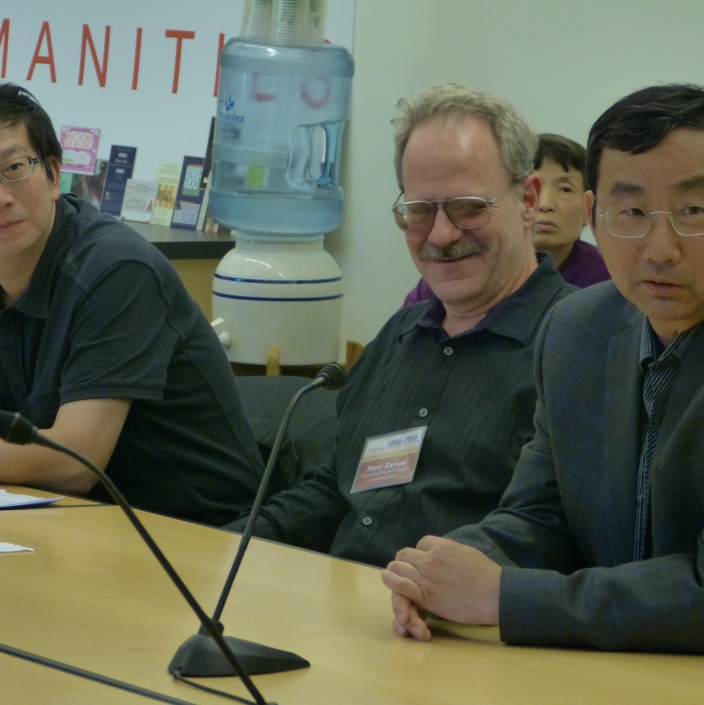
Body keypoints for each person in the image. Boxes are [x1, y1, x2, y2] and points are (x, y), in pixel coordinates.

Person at [382, 84, 704, 683]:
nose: (660, 249)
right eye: (629, 213)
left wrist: (499, 596)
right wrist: (445, 572)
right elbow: (539, 515)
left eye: (693, 211)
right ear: (592, 214)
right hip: (617, 662)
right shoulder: (576, 328)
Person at [224, 84, 575, 568]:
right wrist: (224, 545)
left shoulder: (577, 345)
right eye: (419, 211)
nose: (442, 234)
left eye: (469, 206)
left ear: (529, 200)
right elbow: (337, 488)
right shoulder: (401, 335)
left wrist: (420, 586)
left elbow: (550, 532)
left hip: (452, 609)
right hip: (338, 594)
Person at [0, 83, 263, 526]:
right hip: (52, 527)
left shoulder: (118, 272)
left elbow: (72, 463)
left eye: (14, 168)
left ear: (53, 175)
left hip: (197, 535)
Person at [401, 133, 610, 307]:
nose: (545, 203)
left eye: (565, 189)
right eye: (534, 191)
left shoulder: (607, 277)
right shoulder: (455, 272)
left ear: (589, 208)